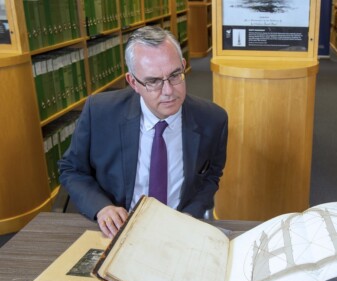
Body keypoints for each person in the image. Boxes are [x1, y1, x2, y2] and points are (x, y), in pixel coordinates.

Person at [59, 26, 228, 238]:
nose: (168, 91)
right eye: (153, 81)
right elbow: (72, 170)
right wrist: (102, 208)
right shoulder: (100, 112)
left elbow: (211, 176)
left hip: (180, 229)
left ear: (183, 66)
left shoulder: (213, 120)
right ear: (133, 83)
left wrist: (190, 215)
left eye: (175, 75)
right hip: (118, 229)